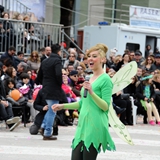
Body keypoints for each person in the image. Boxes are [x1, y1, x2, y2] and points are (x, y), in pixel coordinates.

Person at [52, 43, 115, 160]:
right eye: (89, 56)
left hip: (95, 124)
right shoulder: (90, 77)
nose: (90, 59)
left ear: (103, 59)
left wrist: (92, 92)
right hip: (83, 124)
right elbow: (82, 103)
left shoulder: (106, 79)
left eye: (94, 56)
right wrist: (62, 106)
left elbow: (106, 106)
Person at [35, 43, 67, 140]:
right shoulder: (57, 60)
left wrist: (43, 83)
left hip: (46, 87)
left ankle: (43, 126)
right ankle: (47, 133)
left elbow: (39, 75)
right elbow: (58, 74)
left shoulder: (45, 61)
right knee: (53, 110)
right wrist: (59, 83)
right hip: (54, 88)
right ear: (59, 51)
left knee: (50, 109)